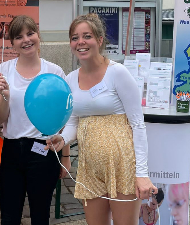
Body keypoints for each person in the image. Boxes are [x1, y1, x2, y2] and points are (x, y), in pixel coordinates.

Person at [46, 13, 158, 225]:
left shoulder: (118, 73)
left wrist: (141, 173)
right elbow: (73, 121)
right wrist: (63, 139)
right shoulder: (70, 79)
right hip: (90, 167)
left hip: (122, 165)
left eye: (86, 36)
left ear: (99, 39)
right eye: (75, 37)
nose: (80, 42)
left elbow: (137, 125)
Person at [0, 15, 71, 225]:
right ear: (12, 44)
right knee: (9, 215)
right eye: (19, 37)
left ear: (38, 35)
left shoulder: (54, 72)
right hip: (12, 150)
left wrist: (65, 156)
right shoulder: (2, 72)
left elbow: (63, 119)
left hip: (43, 150)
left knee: (40, 215)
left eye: (30, 33)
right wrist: (5, 97)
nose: (26, 40)